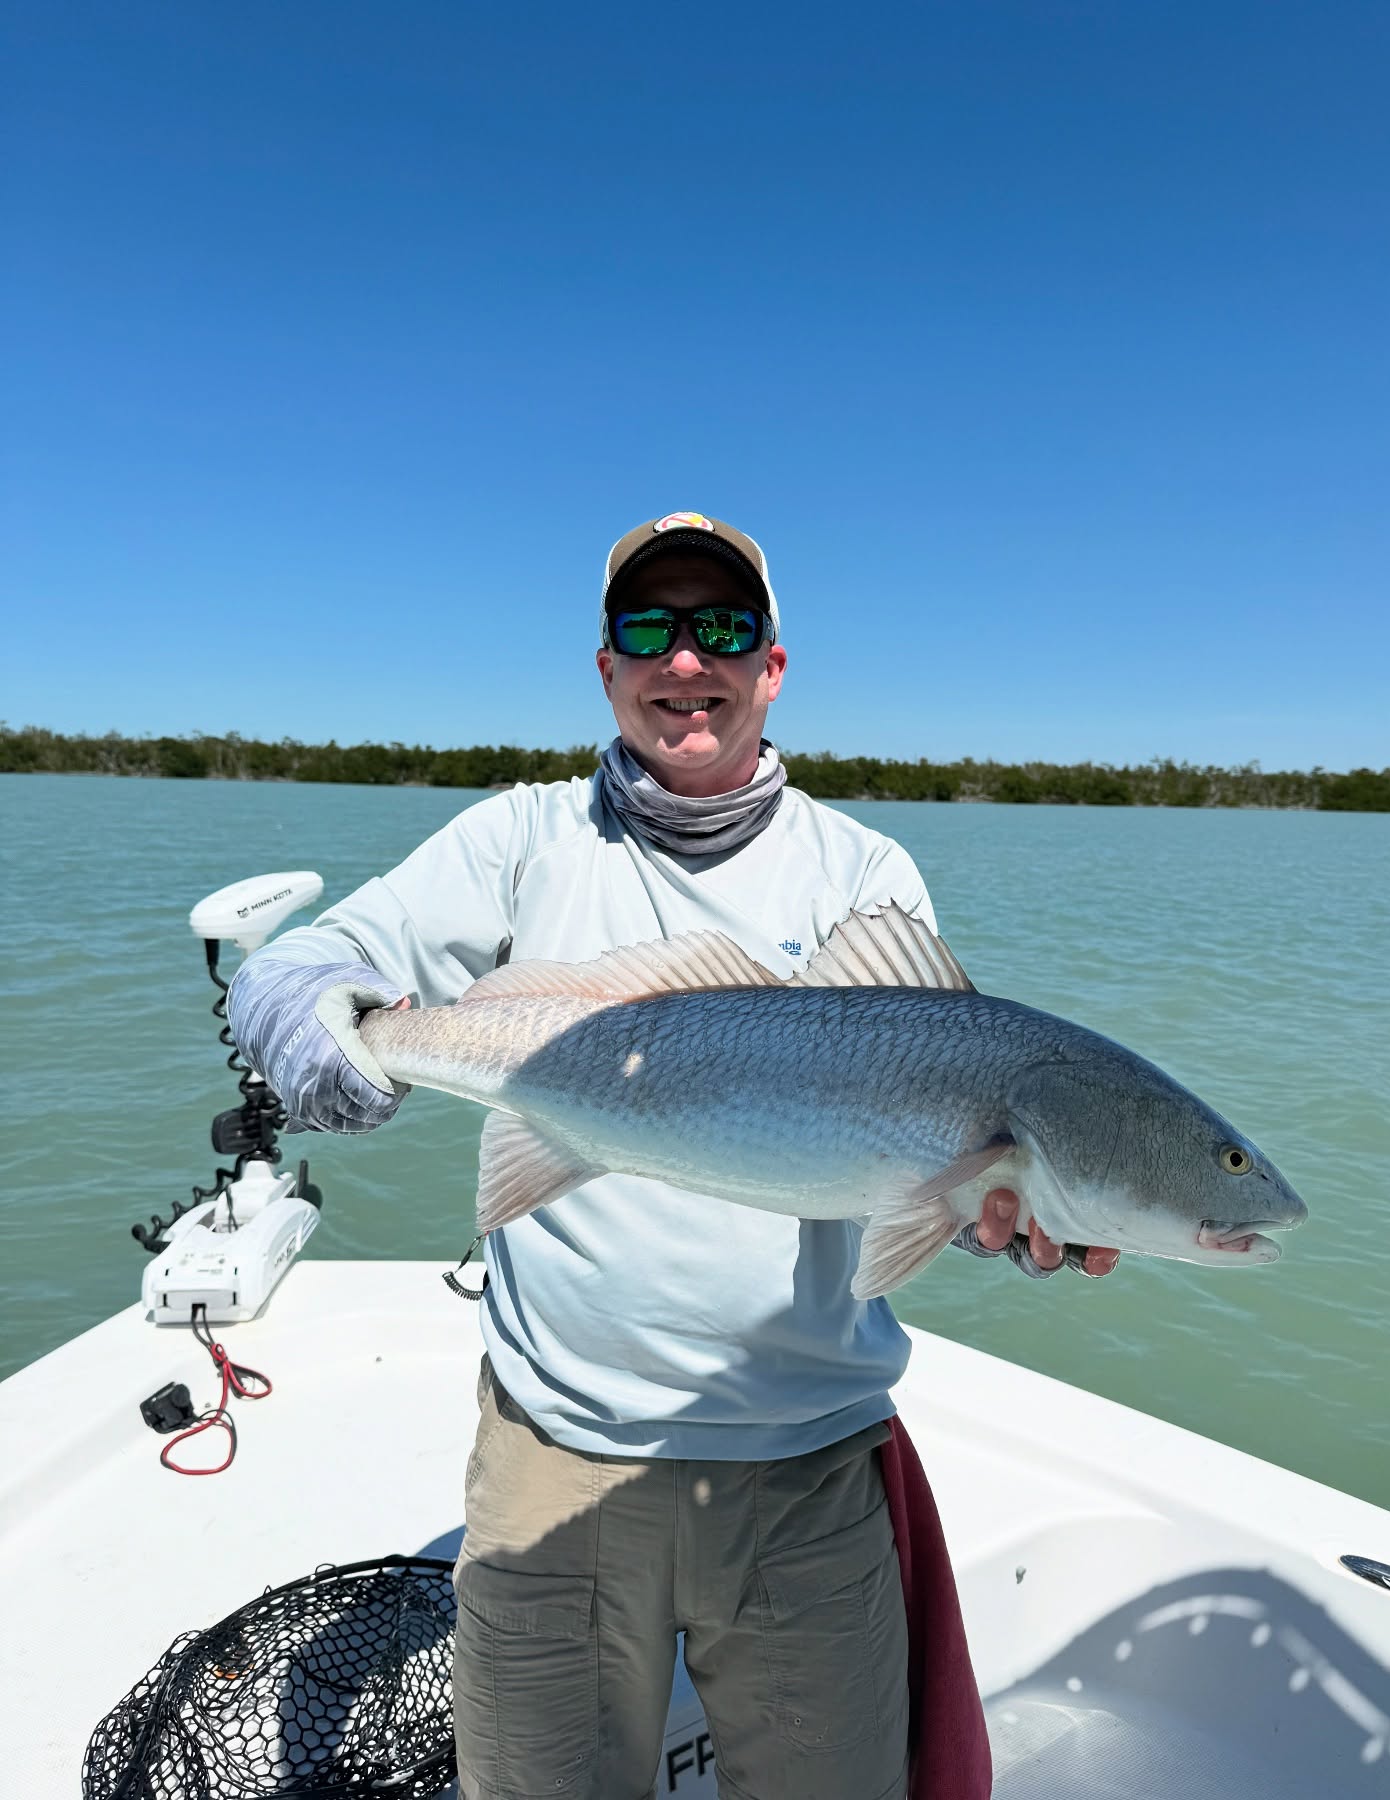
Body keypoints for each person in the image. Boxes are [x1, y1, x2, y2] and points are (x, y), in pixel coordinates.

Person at [227, 511, 1120, 1800]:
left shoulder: (870, 878)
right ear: (606, 668)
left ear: (772, 666)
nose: (686, 661)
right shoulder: (521, 840)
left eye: (723, 629)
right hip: (556, 1457)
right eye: (650, 628)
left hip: (811, 1469)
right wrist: (326, 1043)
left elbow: (928, 1165)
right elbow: (299, 966)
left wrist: (1022, 1214)